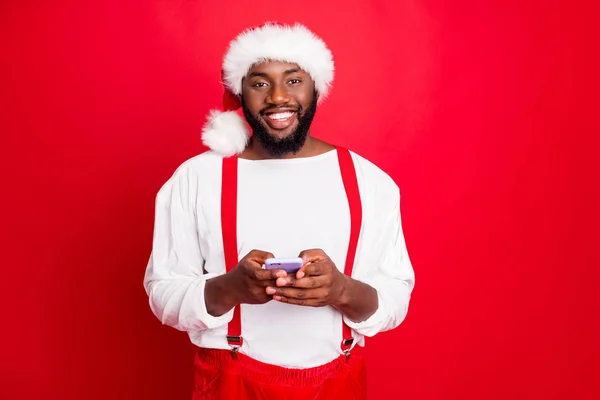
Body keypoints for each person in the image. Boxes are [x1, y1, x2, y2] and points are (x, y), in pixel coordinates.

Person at [143, 22, 415, 399]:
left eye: (293, 80)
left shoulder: (369, 182)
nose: (276, 97)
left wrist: (342, 290)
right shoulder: (196, 178)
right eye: (259, 83)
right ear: (239, 92)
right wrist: (230, 287)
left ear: (315, 86)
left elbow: (396, 296)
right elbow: (163, 293)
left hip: (339, 383)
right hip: (230, 383)